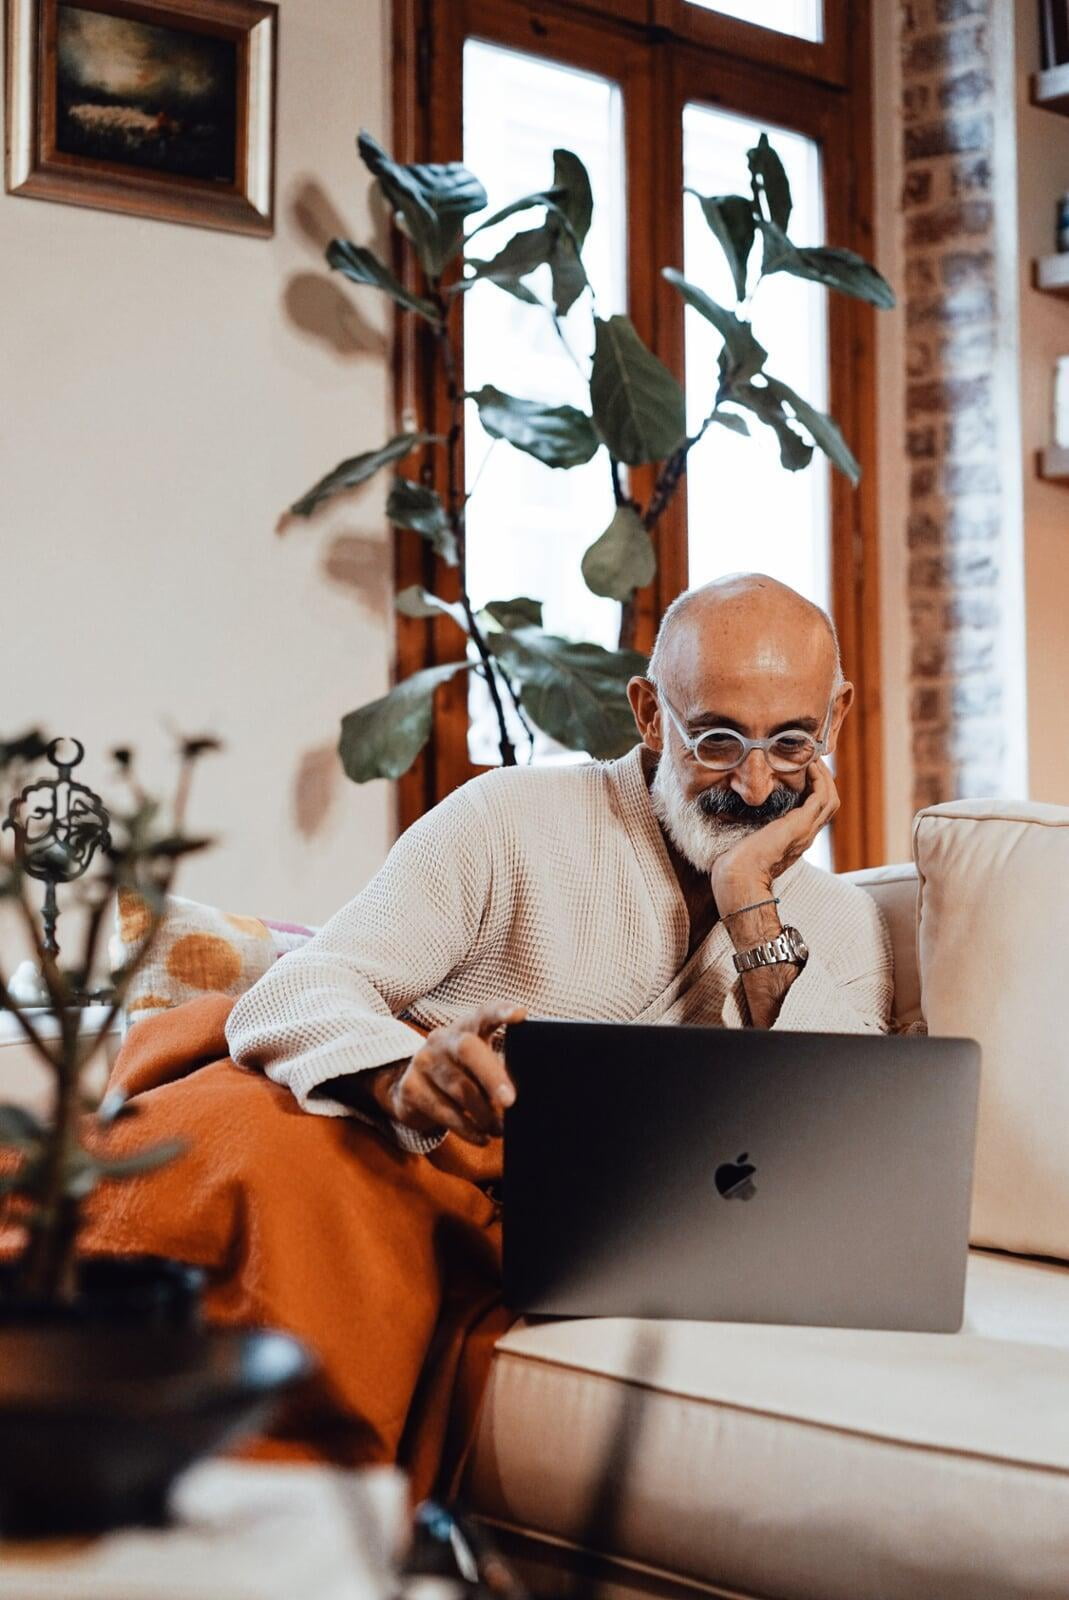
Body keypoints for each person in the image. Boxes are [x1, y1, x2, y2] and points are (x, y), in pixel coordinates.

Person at [225, 572, 893, 1152]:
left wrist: (748, 900)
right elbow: (296, 990)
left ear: (832, 719)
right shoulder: (506, 816)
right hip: (427, 1180)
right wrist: (398, 1077)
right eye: (716, 741)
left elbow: (858, 1132)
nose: (753, 785)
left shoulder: (844, 924)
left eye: (790, 742)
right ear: (650, 714)